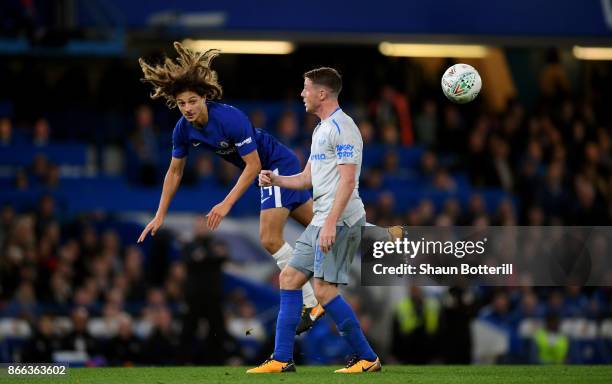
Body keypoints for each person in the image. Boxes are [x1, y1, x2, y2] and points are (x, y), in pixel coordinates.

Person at [136, 42, 323, 332]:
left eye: (192, 101)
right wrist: (160, 214)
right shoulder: (182, 130)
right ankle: (379, 241)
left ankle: (310, 302)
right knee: (324, 228)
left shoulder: (230, 119)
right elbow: (174, 171)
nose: (187, 108)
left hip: (274, 167)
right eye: (182, 103)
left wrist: (226, 204)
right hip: (266, 171)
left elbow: (252, 165)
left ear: (204, 98)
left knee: (270, 239)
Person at [248, 67, 381, 373]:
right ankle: (281, 359)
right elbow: (308, 178)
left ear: (322, 93)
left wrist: (332, 222)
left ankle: (368, 358)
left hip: (341, 220)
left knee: (323, 291)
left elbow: (348, 182)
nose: (302, 94)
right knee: (290, 278)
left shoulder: (344, 128)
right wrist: (275, 181)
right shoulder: (320, 129)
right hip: (322, 217)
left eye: (306, 88)